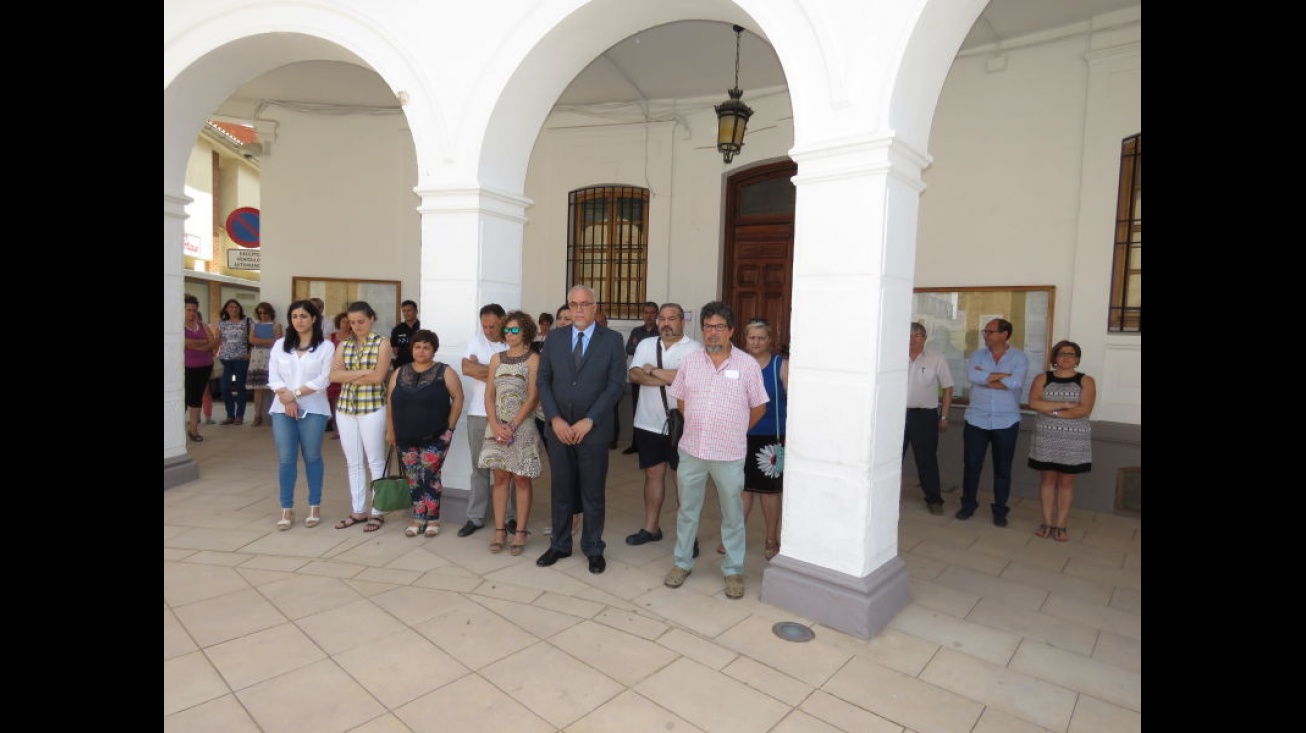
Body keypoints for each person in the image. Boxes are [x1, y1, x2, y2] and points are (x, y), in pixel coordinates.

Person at [662, 301, 768, 599]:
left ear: (731, 331)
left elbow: (759, 406)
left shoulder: (746, 365)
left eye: (719, 327)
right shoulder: (691, 362)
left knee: (733, 514)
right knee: (687, 511)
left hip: (729, 454)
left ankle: (733, 570)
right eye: (708, 327)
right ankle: (682, 563)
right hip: (692, 450)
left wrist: (735, 429)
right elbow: (682, 400)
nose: (712, 333)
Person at [535, 284, 627, 574]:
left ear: (595, 307)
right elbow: (543, 381)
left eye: (585, 304)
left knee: (592, 491)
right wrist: (555, 419)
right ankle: (560, 544)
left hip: (594, 430)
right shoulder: (555, 338)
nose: (578, 309)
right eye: (573, 304)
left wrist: (590, 420)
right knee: (561, 490)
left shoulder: (612, 340)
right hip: (560, 429)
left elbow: (615, 385)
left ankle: (593, 547)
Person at [624, 303, 701, 549]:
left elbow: (688, 379)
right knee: (652, 475)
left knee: (684, 480)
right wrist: (667, 377)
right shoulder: (646, 344)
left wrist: (653, 370)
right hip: (648, 423)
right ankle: (651, 528)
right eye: (662, 318)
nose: (666, 323)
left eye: (672, 318)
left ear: (682, 322)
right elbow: (634, 375)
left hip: (684, 425)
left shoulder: (695, 349)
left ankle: (689, 536)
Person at [386, 329, 464, 539]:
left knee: (430, 476)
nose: (421, 351)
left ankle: (433, 518)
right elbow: (390, 403)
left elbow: (458, 397)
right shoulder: (399, 372)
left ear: (434, 350)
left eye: (426, 347)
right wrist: (391, 430)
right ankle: (418, 517)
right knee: (413, 478)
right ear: (412, 348)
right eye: (417, 346)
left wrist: (450, 427)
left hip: (436, 436)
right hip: (405, 436)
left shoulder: (443, 371)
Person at [478, 311, 543, 555]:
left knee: (521, 478)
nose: (509, 333)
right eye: (507, 329)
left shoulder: (533, 359)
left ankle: (521, 531)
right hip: (496, 425)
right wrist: (494, 424)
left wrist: (513, 425)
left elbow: (533, 396)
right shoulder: (496, 358)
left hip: (522, 425)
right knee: (500, 478)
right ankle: (499, 530)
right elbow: (489, 395)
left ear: (525, 331)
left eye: (515, 330)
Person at [268, 300, 335, 530]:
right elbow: (273, 376)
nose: (299, 320)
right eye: (295, 316)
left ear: (314, 319)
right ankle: (286, 508)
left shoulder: (326, 347)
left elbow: (323, 380)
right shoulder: (279, 345)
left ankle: (314, 505)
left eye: (304, 316)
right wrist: (285, 397)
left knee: (312, 456)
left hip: (313, 408)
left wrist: (294, 395)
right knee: (286, 458)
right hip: (282, 408)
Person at [956, 318, 1028, 527]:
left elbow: (1016, 382)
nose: (985, 335)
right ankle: (968, 505)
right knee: (971, 466)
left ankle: (1000, 510)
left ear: (1004, 334)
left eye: (990, 331)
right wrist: (1002, 378)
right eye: (985, 331)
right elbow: (972, 376)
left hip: (1006, 421)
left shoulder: (1019, 357)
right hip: (976, 419)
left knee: (1003, 469)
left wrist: (986, 378)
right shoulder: (977, 355)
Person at [330, 301, 395, 532]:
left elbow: (378, 377)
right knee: (353, 462)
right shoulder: (343, 344)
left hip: (372, 408)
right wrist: (362, 372)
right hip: (346, 408)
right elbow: (334, 376)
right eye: (352, 322)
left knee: (375, 460)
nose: (356, 326)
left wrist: (349, 375)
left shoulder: (382, 343)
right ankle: (358, 510)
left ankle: (378, 510)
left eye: (361, 321)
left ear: (371, 319)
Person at [1027, 340, 1095, 542]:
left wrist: (1051, 411)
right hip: (1046, 438)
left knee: (1066, 482)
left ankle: (1061, 525)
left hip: (1073, 440)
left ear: (1077, 359)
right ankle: (1047, 522)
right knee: (1047, 479)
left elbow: (1084, 409)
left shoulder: (1086, 381)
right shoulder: (1042, 378)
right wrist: (1065, 405)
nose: (1066, 357)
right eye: (1062, 353)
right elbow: (1034, 403)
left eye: (1071, 354)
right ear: (1055, 358)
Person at [458, 303, 516, 537]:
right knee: (479, 468)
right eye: (485, 326)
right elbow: (466, 368)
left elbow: (519, 375)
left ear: (502, 322)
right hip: (478, 414)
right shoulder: (475, 342)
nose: (489, 331)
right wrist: (502, 372)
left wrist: (483, 369)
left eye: (493, 326)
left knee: (507, 468)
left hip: (507, 416)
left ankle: (510, 517)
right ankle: (476, 517)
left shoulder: (513, 342)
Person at [740, 318, 788, 560]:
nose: (756, 342)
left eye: (761, 337)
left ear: (770, 340)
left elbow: (794, 399)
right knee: (740, 489)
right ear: (745, 340)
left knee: (769, 492)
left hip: (770, 437)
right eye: (752, 337)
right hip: (739, 435)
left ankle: (771, 537)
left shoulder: (781, 364)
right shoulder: (736, 363)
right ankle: (735, 537)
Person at [904, 321, 954, 516]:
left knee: (926, 459)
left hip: (923, 415)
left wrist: (944, 416)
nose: (912, 339)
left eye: (916, 335)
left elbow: (948, 387)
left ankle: (934, 499)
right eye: (908, 335)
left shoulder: (936, 359)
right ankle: (887, 497)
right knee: (891, 457)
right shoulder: (894, 356)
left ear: (924, 338)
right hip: (896, 414)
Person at [622, 301, 660, 454]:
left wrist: (642, 349)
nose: (649, 316)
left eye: (652, 313)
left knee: (654, 410)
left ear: (656, 315)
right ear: (643, 314)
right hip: (638, 376)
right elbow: (629, 349)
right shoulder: (636, 331)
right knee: (637, 409)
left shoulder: (660, 331)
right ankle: (636, 444)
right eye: (646, 312)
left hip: (656, 377)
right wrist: (645, 349)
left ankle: (653, 444)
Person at [183, 295, 217, 442]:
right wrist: (203, 343)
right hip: (188, 366)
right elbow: (185, 343)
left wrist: (197, 343)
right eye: (189, 310)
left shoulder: (202, 325)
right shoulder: (179, 326)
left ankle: (193, 429)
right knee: (186, 398)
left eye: (194, 310)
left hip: (204, 366)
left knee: (196, 398)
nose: (192, 313)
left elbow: (212, 343)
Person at [246, 301, 284, 427]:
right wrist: (268, 340)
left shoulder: (276, 325)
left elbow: (277, 341)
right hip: (257, 357)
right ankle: (257, 415)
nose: (262, 315)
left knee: (274, 388)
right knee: (258, 388)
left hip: (271, 357)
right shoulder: (255, 325)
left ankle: (276, 416)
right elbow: (251, 340)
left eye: (265, 312)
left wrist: (260, 341)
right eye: (260, 313)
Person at [216, 298, 253, 425]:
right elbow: (218, 340)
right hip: (226, 358)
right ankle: (230, 415)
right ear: (226, 309)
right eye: (231, 307)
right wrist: (214, 353)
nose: (233, 309)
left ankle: (239, 416)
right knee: (225, 387)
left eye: (236, 307)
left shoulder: (247, 321)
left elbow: (252, 339)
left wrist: (250, 354)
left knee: (240, 387)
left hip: (241, 359)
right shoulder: (222, 323)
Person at [326, 312, 349, 437]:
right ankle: (335, 427)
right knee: (332, 402)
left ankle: (342, 430)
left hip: (347, 373)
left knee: (341, 402)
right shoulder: (332, 336)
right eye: (343, 322)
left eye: (347, 322)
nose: (345, 324)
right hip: (333, 372)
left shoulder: (354, 337)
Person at [390, 299, 421, 369]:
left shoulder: (422, 327)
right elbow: (394, 349)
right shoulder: (397, 329)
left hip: (420, 365)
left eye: (409, 310)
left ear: (416, 311)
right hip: (401, 365)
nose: (406, 313)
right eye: (404, 311)